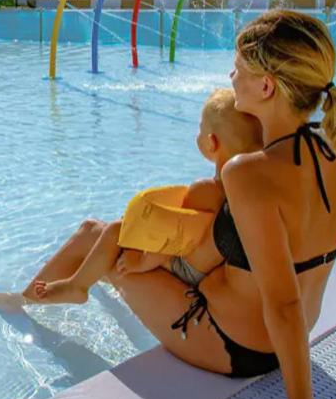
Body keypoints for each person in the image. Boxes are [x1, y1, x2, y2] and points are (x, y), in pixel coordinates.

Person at [0, 10, 336, 399]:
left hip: (232, 345)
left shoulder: (247, 173)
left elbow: (282, 301)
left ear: (266, 85)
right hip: (269, 333)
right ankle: (34, 295)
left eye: (236, 68)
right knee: (98, 228)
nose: (230, 77)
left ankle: (32, 298)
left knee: (109, 243)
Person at [27, 88, 262, 305]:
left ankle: (74, 287)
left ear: (212, 143)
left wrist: (140, 262)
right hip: (209, 270)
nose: (197, 134)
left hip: (185, 271)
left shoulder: (205, 190)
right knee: (117, 232)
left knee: (115, 230)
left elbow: (172, 240)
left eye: (200, 128)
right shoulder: (243, 190)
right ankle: (83, 276)